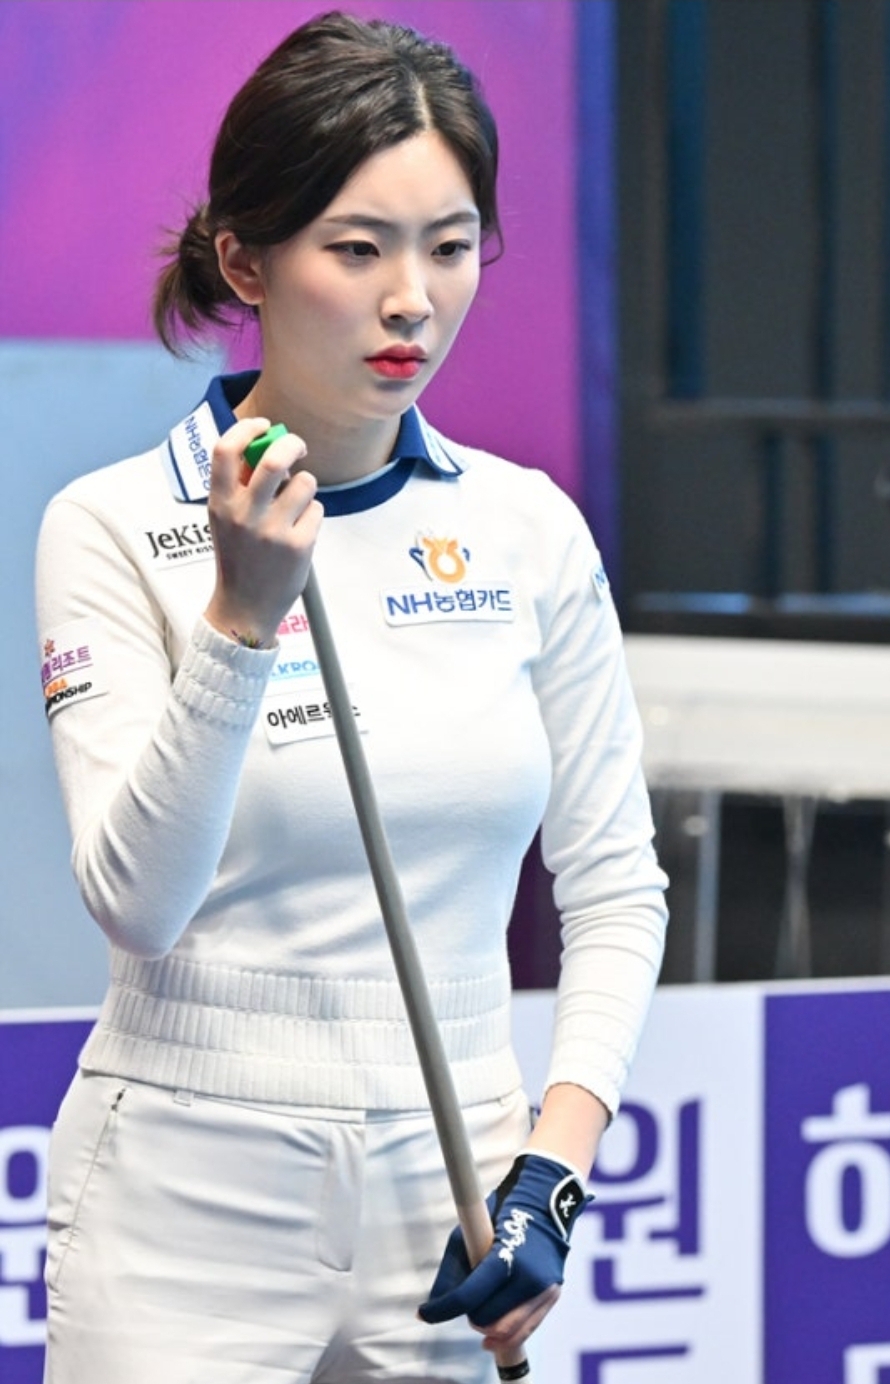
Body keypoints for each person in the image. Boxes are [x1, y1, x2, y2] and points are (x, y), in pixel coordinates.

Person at [35, 12, 667, 1384]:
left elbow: (618, 886)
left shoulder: (527, 527)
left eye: (450, 247)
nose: (412, 301)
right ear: (243, 261)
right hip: (186, 1189)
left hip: (457, 1182)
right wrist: (241, 618)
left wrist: (553, 1170)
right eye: (359, 248)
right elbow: (137, 903)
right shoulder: (112, 524)